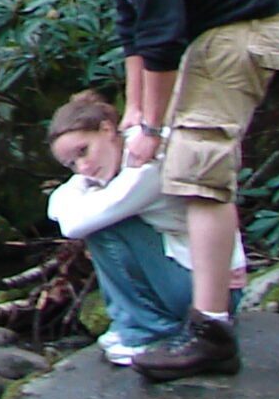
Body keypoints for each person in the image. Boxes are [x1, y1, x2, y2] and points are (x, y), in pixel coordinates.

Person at [10, 0, 279, 379]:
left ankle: (212, 331)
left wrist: (154, 127)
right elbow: (132, 25)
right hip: (209, 40)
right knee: (187, 171)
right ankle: (195, 322)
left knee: (201, 176)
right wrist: (136, 111)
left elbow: (162, 25)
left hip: (237, 32)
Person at [45, 89, 244, 366]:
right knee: (103, 217)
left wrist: (81, 191)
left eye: (83, 151)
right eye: (71, 164)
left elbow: (73, 224)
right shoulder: (118, 158)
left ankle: (151, 332)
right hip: (186, 277)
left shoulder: (147, 165)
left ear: (106, 129)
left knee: (106, 228)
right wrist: (81, 182)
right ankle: (134, 324)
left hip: (208, 292)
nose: (83, 166)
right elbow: (56, 205)